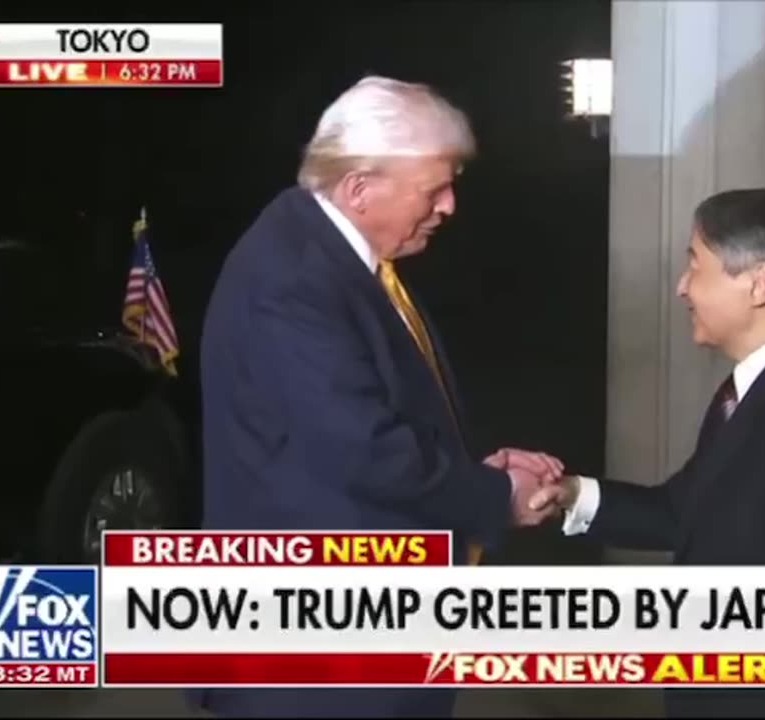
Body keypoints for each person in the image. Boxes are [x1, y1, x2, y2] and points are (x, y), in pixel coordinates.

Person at [195, 75, 565, 718]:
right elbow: (365, 451)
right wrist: (497, 497)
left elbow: (384, 413)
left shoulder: (334, 255)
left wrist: (472, 473)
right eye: (434, 189)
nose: (449, 205)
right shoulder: (293, 283)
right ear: (359, 188)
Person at [540, 188, 765, 718]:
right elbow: (684, 512)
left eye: (696, 266)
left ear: (760, 283)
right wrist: (568, 494)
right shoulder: (757, 386)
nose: (682, 288)